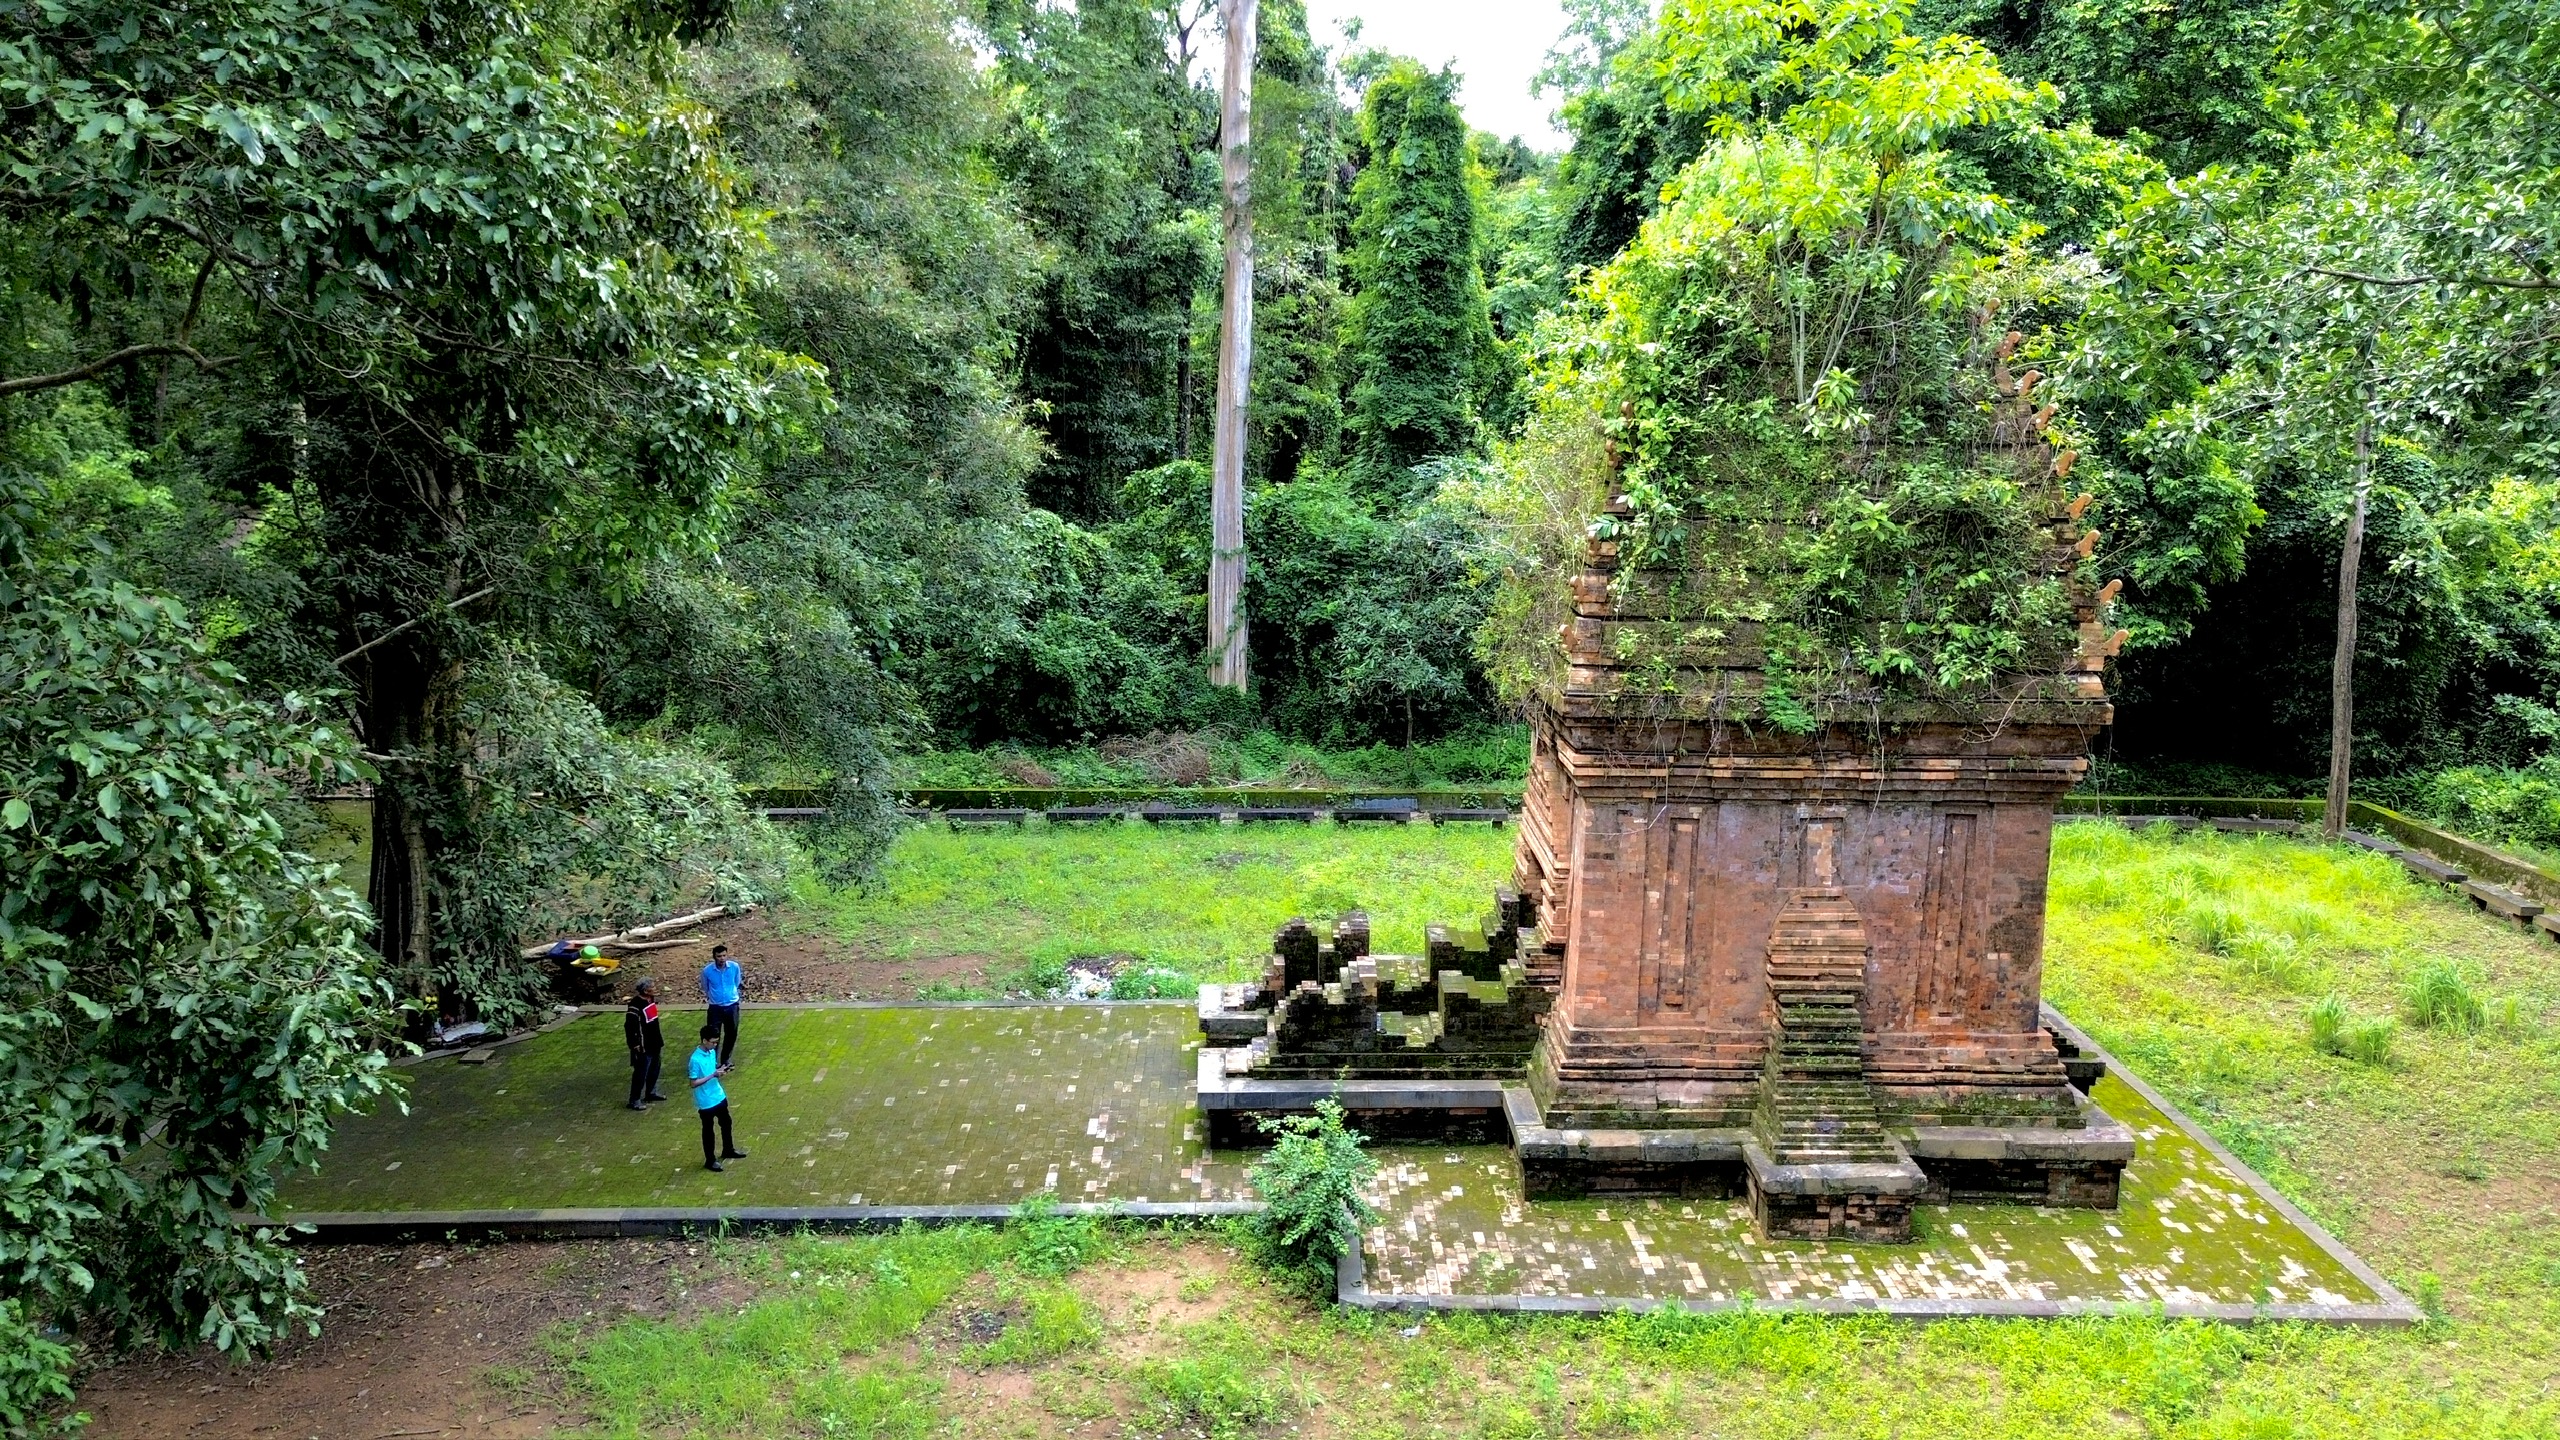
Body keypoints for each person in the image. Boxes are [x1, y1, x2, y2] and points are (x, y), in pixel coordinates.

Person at [688, 1021, 747, 1172]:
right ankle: (710, 1159)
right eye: (713, 1042)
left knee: (726, 1123)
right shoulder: (695, 1060)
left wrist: (721, 1070)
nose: (715, 1045)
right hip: (706, 1101)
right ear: (704, 1040)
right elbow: (693, 1083)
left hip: (718, 1095)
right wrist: (713, 1074)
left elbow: (712, 1069)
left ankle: (728, 1149)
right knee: (708, 1131)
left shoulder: (712, 1052)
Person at [623, 979, 667, 1110]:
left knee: (655, 1068)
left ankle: (651, 1092)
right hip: (643, 1045)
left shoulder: (650, 999)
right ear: (645, 990)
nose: (655, 988)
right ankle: (634, 1099)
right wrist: (634, 1044)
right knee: (641, 1072)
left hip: (655, 1041)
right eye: (652, 987)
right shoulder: (635, 1006)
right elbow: (629, 1027)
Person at [702, 943, 743, 1068]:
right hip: (716, 1008)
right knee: (714, 1035)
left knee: (731, 1034)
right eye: (719, 956)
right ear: (714, 957)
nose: (722, 958)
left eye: (724, 955)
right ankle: (712, 1062)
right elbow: (705, 987)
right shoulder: (707, 971)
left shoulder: (734, 967)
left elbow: (737, 982)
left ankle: (726, 1060)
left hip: (732, 1006)